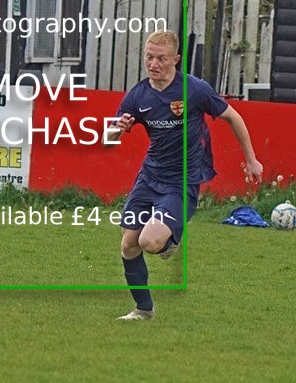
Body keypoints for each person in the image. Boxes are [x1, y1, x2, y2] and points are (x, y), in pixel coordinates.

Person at [106, 30, 263, 320]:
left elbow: (233, 116)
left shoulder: (194, 89)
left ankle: (169, 239)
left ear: (176, 59)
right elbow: (109, 139)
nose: (153, 64)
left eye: (161, 58)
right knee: (128, 245)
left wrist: (251, 159)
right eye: (149, 57)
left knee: (149, 242)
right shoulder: (138, 95)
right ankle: (143, 311)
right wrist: (119, 128)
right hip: (149, 177)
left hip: (182, 180)